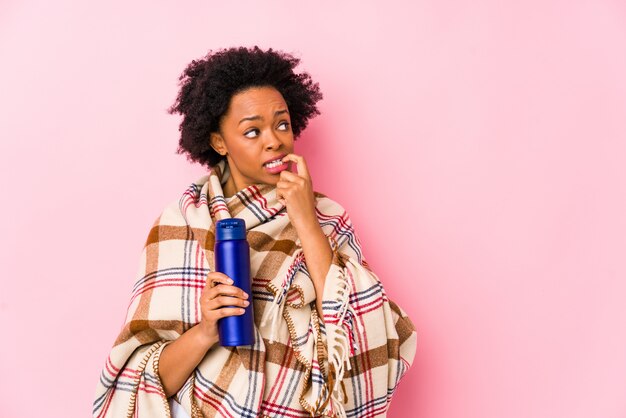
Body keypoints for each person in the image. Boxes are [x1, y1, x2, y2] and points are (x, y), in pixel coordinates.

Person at [93, 46, 417, 418]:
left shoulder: (326, 216)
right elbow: (140, 383)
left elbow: (362, 329)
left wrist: (306, 221)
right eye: (252, 131)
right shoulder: (181, 224)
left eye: (282, 124)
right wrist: (205, 332)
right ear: (219, 142)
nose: (274, 140)